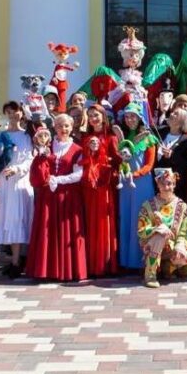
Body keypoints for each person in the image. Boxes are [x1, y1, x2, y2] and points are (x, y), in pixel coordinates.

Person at [27, 115, 87, 281]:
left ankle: (67, 270)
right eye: (60, 125)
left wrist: (58, 180)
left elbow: (79, 174)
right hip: (48, 197)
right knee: (47, 232)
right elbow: (38, 171)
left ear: (72, 127)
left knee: (66, 232)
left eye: (66, 126)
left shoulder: (78, 149)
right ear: (54, 127)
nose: (63, 129)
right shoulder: (47, 146)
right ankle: (46, 270)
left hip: (68, 197)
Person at [114, 102, 159, 270]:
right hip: (125, 185)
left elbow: (149, 165)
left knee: (141, 219)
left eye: (133, 116)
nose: (129, 119)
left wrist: (136, 174)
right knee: (126, 217)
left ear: (140, 118)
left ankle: (142, 260)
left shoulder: (148, 138)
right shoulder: (124, 139)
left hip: (142, 184)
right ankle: (126, 260)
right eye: (127, 116)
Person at [0, 101, 35, 279]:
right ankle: (15, 260)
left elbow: (30, 159)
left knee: (21, 219)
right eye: (8, 112)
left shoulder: (27, 136)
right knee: (9, 220)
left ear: (21, 113)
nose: (12, 115)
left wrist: (17, 169)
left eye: (15, 111)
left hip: (21, 181)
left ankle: (20, 260)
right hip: (5, 182)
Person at [78, 104, 119, 278]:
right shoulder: (86, 138)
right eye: (90, 116)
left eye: (96, 115)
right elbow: (82, 160)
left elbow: (118, 160)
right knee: (90, 223)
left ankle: (105, 264)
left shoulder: (111, 137)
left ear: (103, 116)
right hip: (89, 187)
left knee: (104, 223)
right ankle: (91, 264)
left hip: (105, 186)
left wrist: (104, 160)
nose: (93, 119)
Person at [137, 168, 187, 288]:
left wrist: (180, 245)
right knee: (160, 235)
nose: (166, 187)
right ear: (157, 185)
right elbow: (141, 231)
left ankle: (169, 268)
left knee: (183, 258)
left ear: (174, 184)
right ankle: (150, 275)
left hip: (173, 247)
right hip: (153, 246)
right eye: (162, 184)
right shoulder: (147, 205)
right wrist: (156, 229)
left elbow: (184, 231)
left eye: (169, 183)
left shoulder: (182, 206)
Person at [154, 108, 187, 212]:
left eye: (176, 114)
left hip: (174, 187)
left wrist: (172, 156)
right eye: (172, 112)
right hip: (155, 184)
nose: (171, 114)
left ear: (181, 122)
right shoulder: (160, 132)